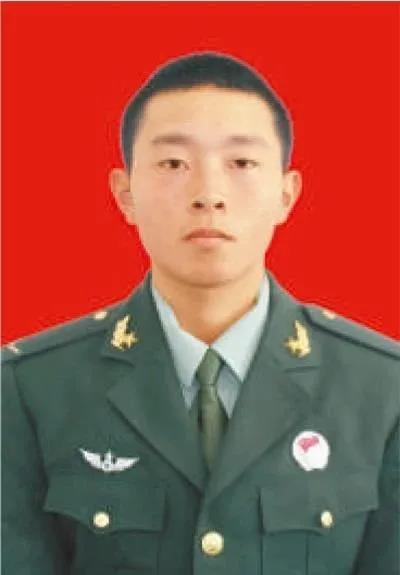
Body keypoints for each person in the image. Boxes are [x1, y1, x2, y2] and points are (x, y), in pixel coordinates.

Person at [2, 52, 399, 575]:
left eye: (241, 163)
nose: (208, 195)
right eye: (173, 164)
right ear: (125, 194)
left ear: (286, 195)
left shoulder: (381, 388)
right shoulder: (30, 388)